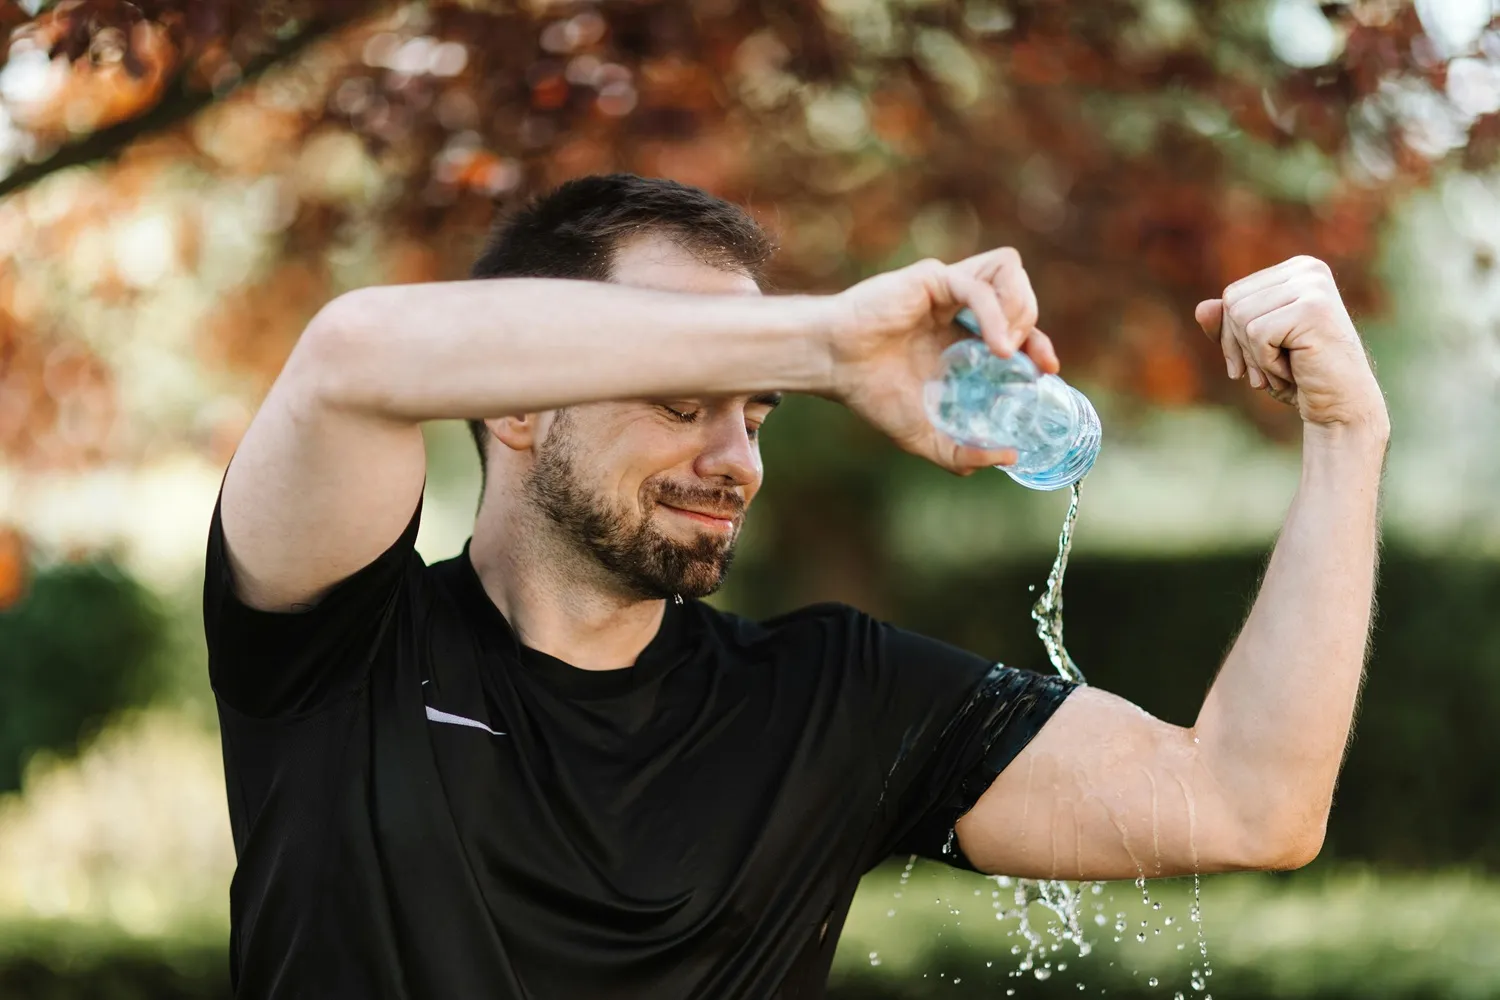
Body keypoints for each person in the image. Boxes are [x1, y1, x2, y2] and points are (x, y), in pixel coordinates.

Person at [202, 173, 1388, 999]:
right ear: (516, 405)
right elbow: (351, 358)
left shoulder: (831, 699)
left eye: (758, 411)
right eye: (684, 397)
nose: (737, 459)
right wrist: (822, 344)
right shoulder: (337, 648)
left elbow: (1247, 803)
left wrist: (1348, 439)